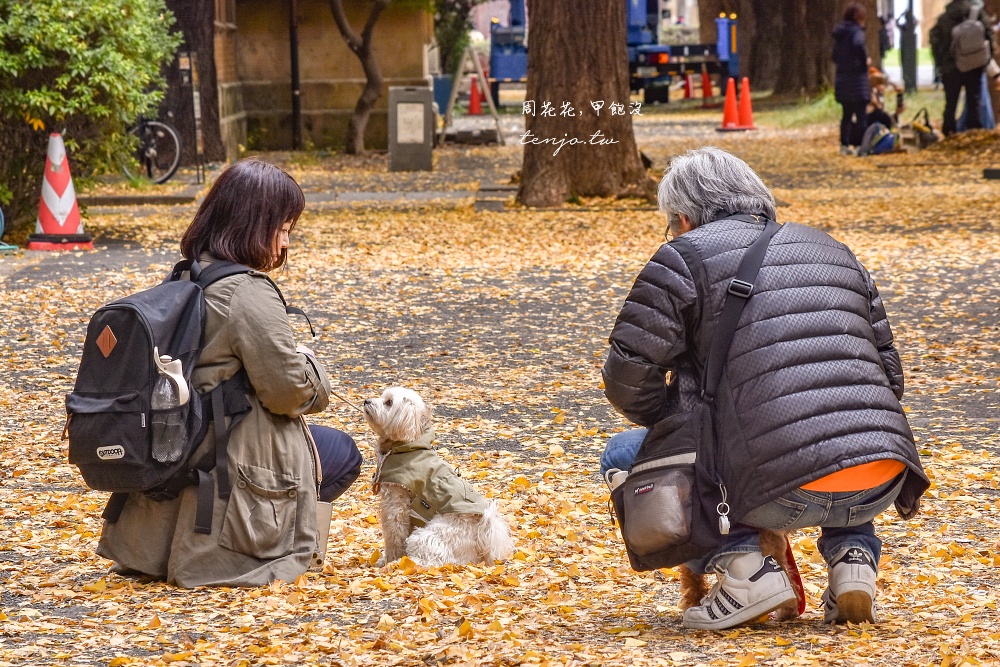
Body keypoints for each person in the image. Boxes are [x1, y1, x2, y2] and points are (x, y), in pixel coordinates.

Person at [601, 147, 929, 630]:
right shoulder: (833, 249)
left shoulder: (682, 258)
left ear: (684, 218)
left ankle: (745, 569)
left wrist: (687, 425)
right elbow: (889, 378)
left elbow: (626, 384)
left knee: (621, 454)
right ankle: (853, 558)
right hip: (880, 478)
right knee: (837, 415)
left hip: (774, 489)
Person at [97, 159, 362, 587]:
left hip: (176, 447)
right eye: (283, 227)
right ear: (256, 226)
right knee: (343, 453)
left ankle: (175, 545)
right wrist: (312, 364)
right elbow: (288, 392)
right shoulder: (247, 292)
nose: (286, 241)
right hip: (228, 454)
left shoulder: (185, 278)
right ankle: (269, 546)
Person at [930, 0, 994, 135]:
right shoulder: (977, 14)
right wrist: (985, 59)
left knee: (951, 103)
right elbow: (989, 35)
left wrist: (941, 61)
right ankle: (973, 132)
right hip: (974, 65)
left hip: (951, 66)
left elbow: (935, 40)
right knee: (974, 101)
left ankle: (949, 131)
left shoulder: (945, 18)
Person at [833, 3, 872, 155]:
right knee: (861, 115)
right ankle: (862, 146)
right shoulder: (857, 32)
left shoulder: (840, 34)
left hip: (843, 80)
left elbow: (834, 56)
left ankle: (844, 144)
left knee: (846, 115)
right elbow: (858, 45)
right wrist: (864, 61)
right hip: (857, 81)